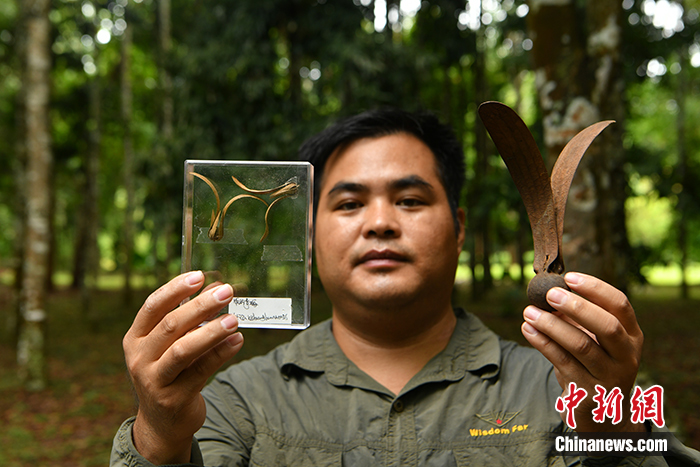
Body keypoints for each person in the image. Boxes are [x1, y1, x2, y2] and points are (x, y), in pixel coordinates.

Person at [111, 108, 700, 466]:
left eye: (411, 199)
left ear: (460, 228)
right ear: (309, 233)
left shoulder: (562, 387)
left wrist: (613, 429)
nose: (380, 222)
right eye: (348, 203)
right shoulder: (233, 401)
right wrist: (159, 435)